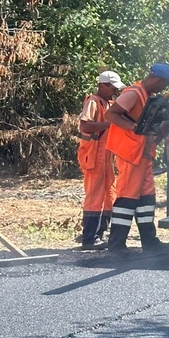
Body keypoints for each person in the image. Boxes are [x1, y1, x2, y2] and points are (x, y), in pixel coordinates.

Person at [102, 62, 169, 253]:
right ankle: (116, 245)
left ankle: (149, 242)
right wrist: (133, 127)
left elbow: (149, 130)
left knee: (146, 198)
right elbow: (111, 115)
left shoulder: (149, 97)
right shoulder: (133, 93)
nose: (165, 88)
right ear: (158, 80)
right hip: (130, 155)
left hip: (143, 156)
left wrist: (164, 129)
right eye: (165, 84)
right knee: (127, 197)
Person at [76, 70, 124, 250]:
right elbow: (85, 125)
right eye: (112, 87)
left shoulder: (109, 103)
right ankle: (89, 239)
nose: (114, 91)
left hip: (106, 159)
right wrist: (111, 124)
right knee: (94, 198)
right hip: (93, 158)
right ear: (102, 85)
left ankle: (100, 234)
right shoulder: (93, 102)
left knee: (110, 196)